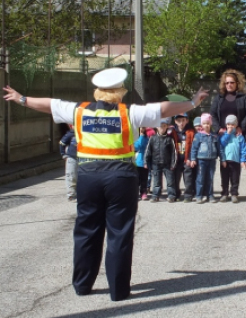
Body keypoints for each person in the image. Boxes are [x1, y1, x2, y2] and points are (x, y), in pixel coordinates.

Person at [3, 67, 208, 301]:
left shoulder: (78, 110)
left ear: (98, 92)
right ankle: (118, 291)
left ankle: (82, 285)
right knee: (120, 233)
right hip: (121, 176)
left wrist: (21, 99)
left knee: (86, 230)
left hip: (89, 175)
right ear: (119, 92)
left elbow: (49, 104)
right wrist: (192, 102)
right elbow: (163, 108)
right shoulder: (129, 112)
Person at [210, 69, 246, 154]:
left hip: (237, 135)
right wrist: (218, 128)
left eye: (232, 82)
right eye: (227, 83)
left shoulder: (243, 98)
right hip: (224, 136)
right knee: (224, 163)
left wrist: (241, 127)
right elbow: (212, 114)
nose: (229, 85)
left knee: (235, 163)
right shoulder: (219, 98)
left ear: (237, 83)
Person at [144, 117, 177, 203]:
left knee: (170, 181)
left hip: (168, 164)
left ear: (167, 127)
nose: (162, 128)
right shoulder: (152, 138)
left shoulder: (170, 139)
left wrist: (173, 164)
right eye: (160, 126)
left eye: (164, 126)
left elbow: (174, 152)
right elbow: (148, 151)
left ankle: (171, 195)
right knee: (156, 182)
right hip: (156, 163)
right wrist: (146, 162)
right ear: (156, 127)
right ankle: (155, 196)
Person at [190, 113, 219, 204]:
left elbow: (219, 148)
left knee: (210, 178)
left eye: (208, 123)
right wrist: (193, 159)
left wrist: (222, 158)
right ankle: (199, 196)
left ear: (210, 124)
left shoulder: (214, 135)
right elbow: (194, 148)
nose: (206, 125)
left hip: (212, 160)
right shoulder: (198, 136)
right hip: (201, 160)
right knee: (200, 178)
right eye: (204, 123)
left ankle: (210, 195)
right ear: (201, 125)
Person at [219, 115, 246, 203]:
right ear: (226, 125)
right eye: (228, 124)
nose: (230, 126)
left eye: (232, 124)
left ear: (236, 125)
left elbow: (243, 149)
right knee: (224, 178)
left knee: (235, 179)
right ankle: (224, 194)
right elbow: (221, 145)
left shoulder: (239, 136)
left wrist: (243, 160)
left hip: (235, 161)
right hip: (225, 161)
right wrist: (227, 133)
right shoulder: (223, 135)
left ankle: (234, 194)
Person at [173, 113, 196, 202]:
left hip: (187, 159)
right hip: (177, 159)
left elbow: (193, 146)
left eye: (183, 120)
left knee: (188, 178)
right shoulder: (173, 132)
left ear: (187, 120)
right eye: (179, 121)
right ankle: (177, 194)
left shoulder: (191, 132)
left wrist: (190, 158)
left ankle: (188, 195)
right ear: (175, 121)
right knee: (176, 177)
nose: (181, 123)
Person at [59, 124, 78, 201]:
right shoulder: (70, 134)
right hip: (72, 158)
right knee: (71, 176)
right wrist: (63, 155)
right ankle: (71, 194)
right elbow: (61, 144)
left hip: (83, 158)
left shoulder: (85, 133)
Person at [134, 127, 150, 200]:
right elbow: (136, 147)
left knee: (144, 179)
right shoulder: (138, 139)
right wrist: (141, 136)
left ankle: (143, 192)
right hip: (138, 162)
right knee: (136, 180)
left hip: (145, 163)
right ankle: (135, 193)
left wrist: (142, 136)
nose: (142, 129)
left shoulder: (148, 139)